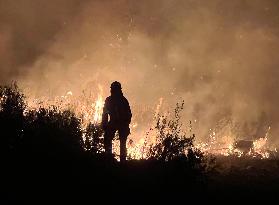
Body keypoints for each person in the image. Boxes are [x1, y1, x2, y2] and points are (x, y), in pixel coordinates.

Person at [101, 81, 132, 162]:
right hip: (115, 122)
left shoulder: (122, 100)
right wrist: (104, 123)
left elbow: (128, 114)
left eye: (114, 89)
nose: (113, 91)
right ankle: (109, 157)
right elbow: (105, 113)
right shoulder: (111, 100)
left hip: (121, 123)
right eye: (113, 89)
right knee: (108, 139)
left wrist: (126, 124)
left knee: (122, 142)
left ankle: (121, 160)